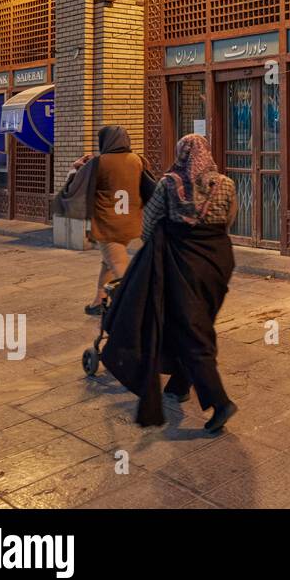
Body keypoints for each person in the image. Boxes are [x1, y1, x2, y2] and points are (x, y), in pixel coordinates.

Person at [103, 134, 238, 432]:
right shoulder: (226, 183)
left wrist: (165, 245)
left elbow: (148, 225)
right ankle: (179, 382)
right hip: (217, 261)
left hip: (182, 262)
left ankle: (219, 401)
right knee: (197, 322)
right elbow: (229, 219)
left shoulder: (168, 184)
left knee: (191, 328)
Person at [53, 125, 150, 315]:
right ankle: (99, 300)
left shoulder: (100, 162)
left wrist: (75, 168)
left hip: (108, 224)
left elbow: (77, 184)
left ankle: (138, 309)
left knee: (119, 266)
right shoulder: (138, 160)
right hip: (131, 222)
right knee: (108, 261)